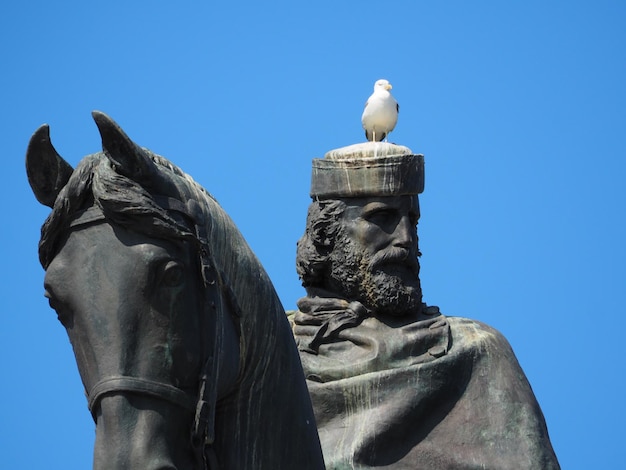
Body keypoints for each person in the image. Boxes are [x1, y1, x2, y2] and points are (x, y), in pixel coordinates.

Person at [290, 143, 560, 469]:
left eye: (412, 221)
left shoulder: (475, 354)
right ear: (326, 234)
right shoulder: (270, 347)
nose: (405, 237)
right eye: (383, 217)